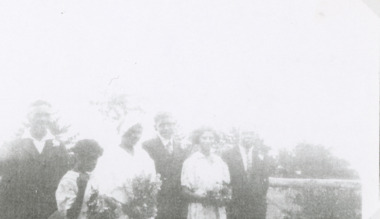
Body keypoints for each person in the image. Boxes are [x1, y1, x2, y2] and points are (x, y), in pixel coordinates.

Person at [0, 100, 70, 219]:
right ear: (29, 117)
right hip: (19, 213)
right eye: (38, 114)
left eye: (46, 115)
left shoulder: (59, 147)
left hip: (51, 213)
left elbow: (65, 181)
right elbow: (5, 182)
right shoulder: (13, 146)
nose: (43, 119)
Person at [94, 118, 156, 216]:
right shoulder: (110, 155)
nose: (135, 136)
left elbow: (152, 181)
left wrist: (143, 205)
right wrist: (123, 208)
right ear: (123, 131)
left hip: (140, 210)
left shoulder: (143, 155)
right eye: (131, 131)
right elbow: (102, 189)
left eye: (138, 132)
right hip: (117, 208)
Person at [143, 112, 189, 219]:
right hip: (158, 200)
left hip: (178, 201)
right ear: (155, 127)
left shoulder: (181, 147)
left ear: (175, 126)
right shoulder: (147, 146)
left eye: (169, 124)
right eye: (162, 125)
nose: (166, 128)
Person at [181, 127, 230, 219]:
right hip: (199, 208)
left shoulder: (219, 161)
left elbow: (226, 185)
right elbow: (185, 191)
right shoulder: (191, 162)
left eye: (211, 138)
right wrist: (202, 198)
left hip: (217, 208)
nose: (208, 141)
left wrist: (222, 196)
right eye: (204, 138)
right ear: (198, 140)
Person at [222, 129, 271, 219]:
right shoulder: (228, 154)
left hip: (257, 205)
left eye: (251, 133)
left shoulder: (262, 155)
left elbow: (265, 180)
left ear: (255, 136)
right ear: (239, 135)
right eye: (244, 133)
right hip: (235, 204)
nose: (248, 136)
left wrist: (260, 197)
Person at [55, 139, 104, 219]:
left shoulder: (92, 176)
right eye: (90, 158)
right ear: (78, 157)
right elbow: (69, 215)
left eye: (96, 158)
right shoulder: (68, 180)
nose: (94, 162)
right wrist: (81, 189)